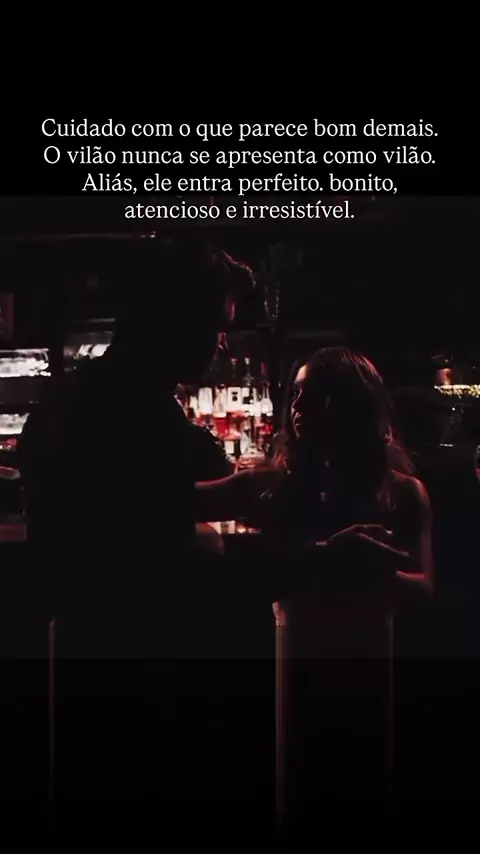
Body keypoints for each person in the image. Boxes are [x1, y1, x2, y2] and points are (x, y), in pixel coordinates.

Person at [18, 238, 260, 833]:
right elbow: (146, 530)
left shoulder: (79, 397)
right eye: (215, 325)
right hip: (135, 667)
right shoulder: (132, 409)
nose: (220, 343)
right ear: (174, 316)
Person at [195, 347, 433, 831]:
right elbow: (173, 507)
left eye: (318, 395)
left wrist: (371, 569)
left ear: (353, 406)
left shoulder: (401, 493)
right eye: (297, 395)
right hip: (293, 660)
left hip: (370, 660)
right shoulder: (271, 487)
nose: (300, 407)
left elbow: (424, 587)